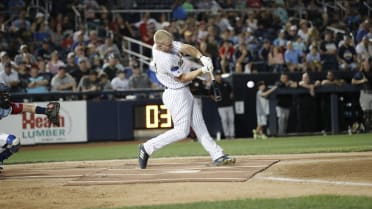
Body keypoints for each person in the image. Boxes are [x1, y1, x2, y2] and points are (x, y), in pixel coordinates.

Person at [138, 29, 236, 169]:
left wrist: (201, 57)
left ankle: (217, 155)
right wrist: (202, 70)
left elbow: (186, 48)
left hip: (183, 91)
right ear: (159, 46)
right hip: (175, 93)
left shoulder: (166, 44)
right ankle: (147, 148)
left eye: (171, 43)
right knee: (181, 131)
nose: (171, 46)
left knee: (199, 125)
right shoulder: (164, 58)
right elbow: (183, 78)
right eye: (168, 45)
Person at [0, 83, 60, 170]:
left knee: (14, 143)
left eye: (6, 94)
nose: (6, 97)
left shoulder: (7, 107)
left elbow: (28, 108)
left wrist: (46, 111)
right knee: (13, 140)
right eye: (3, 94)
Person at [211, 70, 235, 139]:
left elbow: (231, 91)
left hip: (229, 104)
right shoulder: (214, 85)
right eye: (217, 75)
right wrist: (214, 98)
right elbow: (210, 94)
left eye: (219, 75)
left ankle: (232, 135)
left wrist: (231, 95)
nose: (219, 76)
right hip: (221, 106)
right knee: (224, 120)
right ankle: (227, 135)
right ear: (215, 76)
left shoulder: (226, 83)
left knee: (231, 120)